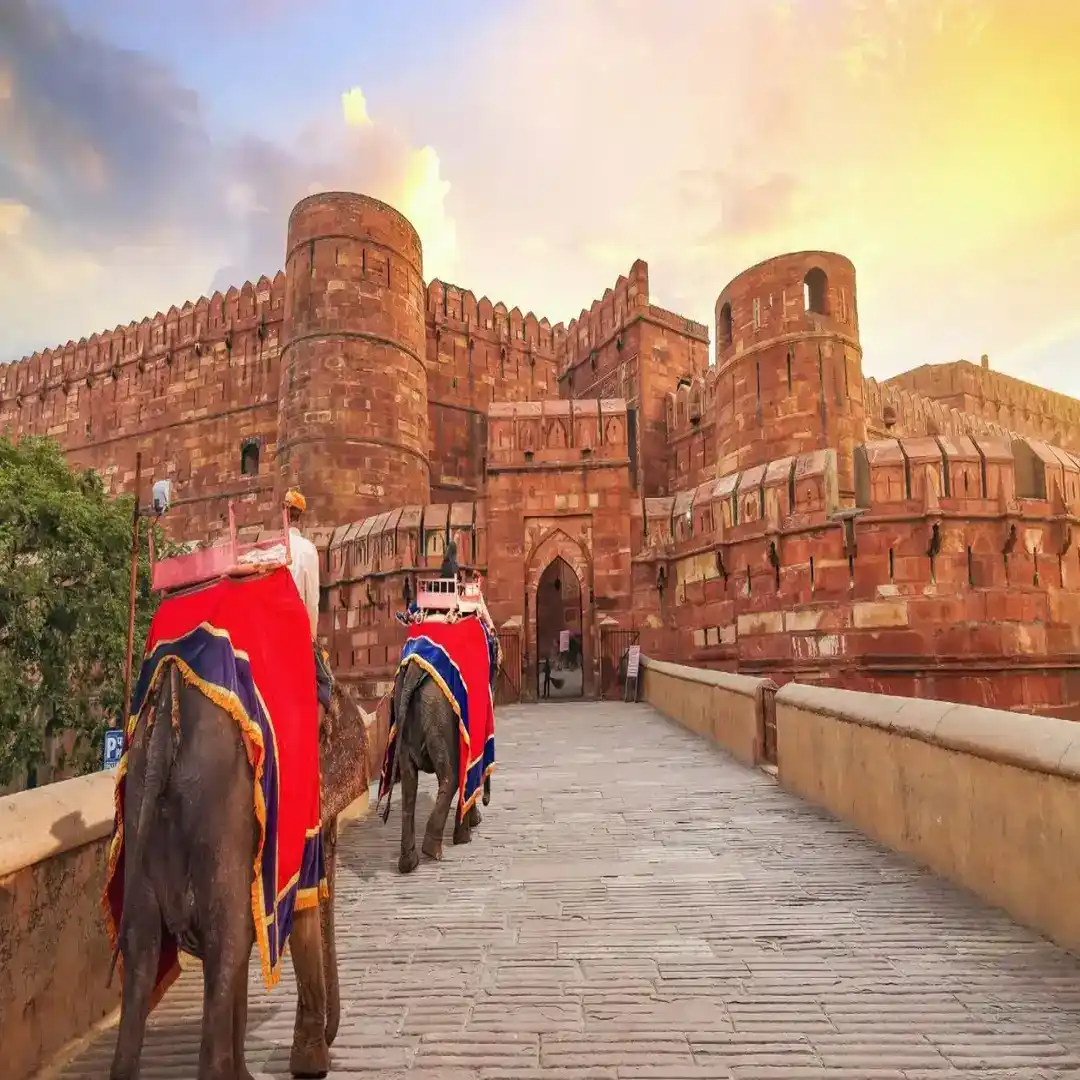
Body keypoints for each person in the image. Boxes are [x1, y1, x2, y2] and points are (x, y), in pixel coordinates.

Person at [283, 489, 332, 710]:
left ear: (284, 511)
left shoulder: (275, 548)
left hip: (271, 629)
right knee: (325, 684)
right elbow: (312, 600)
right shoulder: (308, 550)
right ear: (300, 515)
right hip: (296, 632)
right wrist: (311, 637)